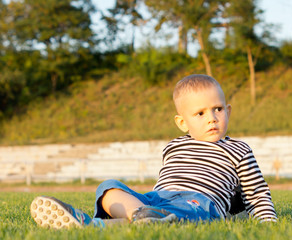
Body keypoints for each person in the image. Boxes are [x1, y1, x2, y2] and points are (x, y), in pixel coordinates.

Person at [30, 74, 277, 229]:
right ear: (182, 123)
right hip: (157, 199)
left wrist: (267, 223)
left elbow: (256, 193)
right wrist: (146, 205)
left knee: (180, 214)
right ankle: (137, 217)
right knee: (108, 187)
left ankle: (97, 225)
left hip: (199, 202)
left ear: (228, 111)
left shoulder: (238, 149)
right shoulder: (173, 146)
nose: (212, 118)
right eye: (200, 113)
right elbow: (166, 180)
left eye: (218, 109)